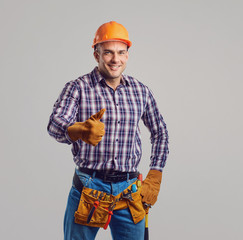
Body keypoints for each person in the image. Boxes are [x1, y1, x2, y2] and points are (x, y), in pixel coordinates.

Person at [47, 21, 169, 240]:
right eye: (108, 53)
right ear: (96, 55)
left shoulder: (140, 91)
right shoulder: (78, 88)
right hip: (89, 187)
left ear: (127, 55)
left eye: (121, 52)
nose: (115, 59)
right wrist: (80, 129)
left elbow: (160, 132)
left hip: (129, 193)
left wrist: (156, 173)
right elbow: (55, 124)